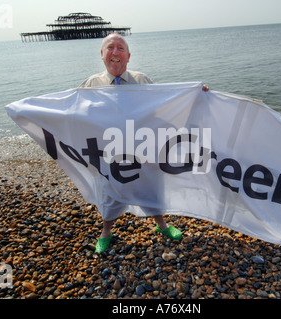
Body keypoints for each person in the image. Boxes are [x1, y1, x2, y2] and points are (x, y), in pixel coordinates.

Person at [79, 32, 208, 253]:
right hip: (110, 151)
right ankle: (106, 232)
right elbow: (74, 114)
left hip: (142, 148)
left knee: (151, 187)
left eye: (121, 48)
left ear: (128, 56)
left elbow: (166, 103)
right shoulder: (92, 83)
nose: (115, 52)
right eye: (110, 47)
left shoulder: (142, 81)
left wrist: (195, 95)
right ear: (102, 55)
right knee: (108, 191)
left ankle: (162, 225)